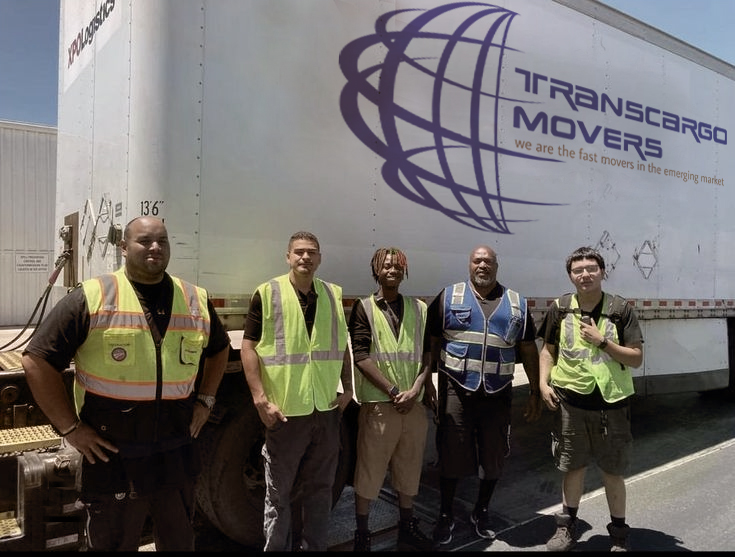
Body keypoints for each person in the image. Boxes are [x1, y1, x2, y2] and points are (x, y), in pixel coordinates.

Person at [21, 216, 230, 551]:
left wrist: (206, 400)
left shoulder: (194, 298)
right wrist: (70, 428)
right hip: (114, 456)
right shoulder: (93, 296)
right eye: (144, 241)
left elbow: (219, 350)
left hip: (175, 451)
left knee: (180, 543)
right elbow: (36, 360)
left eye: (162, 241)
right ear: (123, 247)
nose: (155, 248)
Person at [241, 230, 353, 552]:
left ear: (320, 258)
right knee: (279, 494)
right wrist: (260, 399)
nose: (305, 257)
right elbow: (248, 347)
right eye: (299, 252)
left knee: (321, 490)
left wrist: (348, 388)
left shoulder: (332, 294)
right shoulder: (268, 293)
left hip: (326, 409)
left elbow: (341, 344)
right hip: (287, 413)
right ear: (288, 257)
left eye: (311, 252)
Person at [425, 244, 542, 546]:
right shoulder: (449, 297)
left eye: (488, 261)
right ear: (469, 265)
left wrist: (534, 390)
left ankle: (482, 510)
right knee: (451, 453)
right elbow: (432, 342)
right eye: (477, 261)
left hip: (497, 394)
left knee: (493, 456)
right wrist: (427, 383)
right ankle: (446, 514)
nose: (482, 266)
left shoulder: (516, 303)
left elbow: (528, 348)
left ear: (496, 266)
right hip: (456, 390)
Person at [538, 246, 643, 552]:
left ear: (602, 272)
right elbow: (548, 351)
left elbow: (636, 358)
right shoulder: (560, 308)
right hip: (571, 404)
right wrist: (543, 383)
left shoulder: (620, 309)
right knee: (573, 468)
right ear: (570, 276)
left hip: (611, 405)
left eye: (591, 269)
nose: (585, 274)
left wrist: (603, 342)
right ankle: (566, 528)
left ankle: (619, 536)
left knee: (613, 472)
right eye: (578, 270)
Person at [349, 247, 433, 552]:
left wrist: (418, 388)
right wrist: (395, 392)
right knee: (369, 472)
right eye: (386, 266)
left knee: (409, 469)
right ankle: (362, 534)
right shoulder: (364, 308)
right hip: (380, 406)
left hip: (413, 405)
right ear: (376, 270)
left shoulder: (419, 308)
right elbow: (361, 356)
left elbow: (428, 354)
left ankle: (406, 527)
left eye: (398, 266)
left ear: (404, 271)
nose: (392, 270)